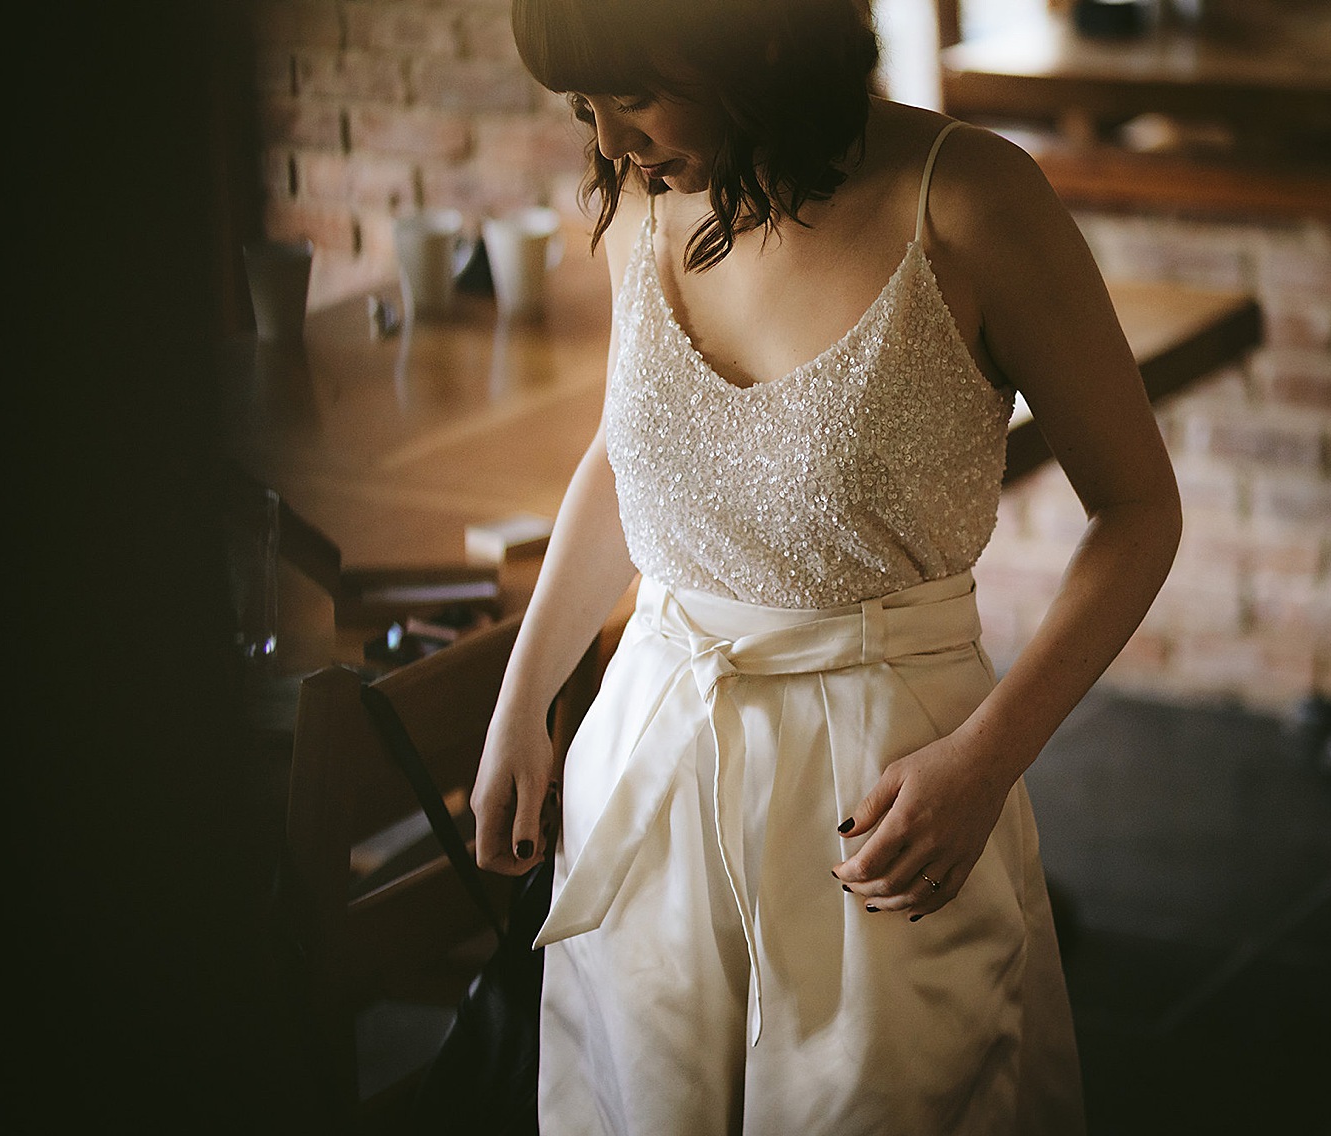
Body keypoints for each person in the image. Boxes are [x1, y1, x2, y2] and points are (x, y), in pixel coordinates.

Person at [472, 1, 1181, 1132]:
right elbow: (634, 458)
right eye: (579, 106)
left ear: (753, 38)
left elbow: (1137, 510)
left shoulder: (968, 198)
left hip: (886, 790)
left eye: (632, 95)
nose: (606, 143)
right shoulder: (646, 195)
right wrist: (524, 697)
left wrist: (984, 762)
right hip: (649, 767)